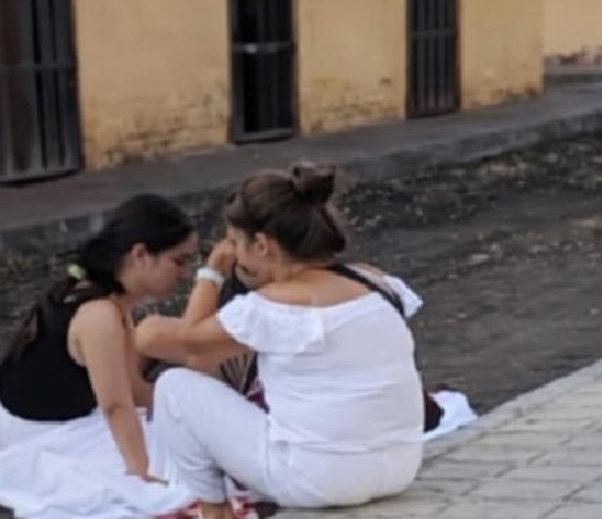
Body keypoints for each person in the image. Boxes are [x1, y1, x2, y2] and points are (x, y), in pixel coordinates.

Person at [152, 163, 427, 519]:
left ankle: (214, 512)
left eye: (236, 244)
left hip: (319, 478)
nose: (235, 255)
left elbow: (190, 344)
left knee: (174, 388)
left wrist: (212, 272)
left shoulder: (273, 306)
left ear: (263, 245)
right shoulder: (375, 281)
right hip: (399, 468)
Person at [0, 193, 200, 519]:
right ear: (140, 255)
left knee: (183, 442)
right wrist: (141, 473)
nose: (184, 274)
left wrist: (192, 410)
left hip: (64, 418)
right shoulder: (100, 315)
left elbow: (132, 389)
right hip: (39, 432)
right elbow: (116, 405)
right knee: (169, 477)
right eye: (178, 261)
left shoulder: (111, 299)